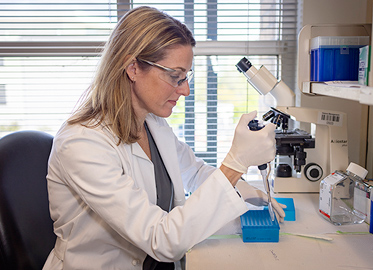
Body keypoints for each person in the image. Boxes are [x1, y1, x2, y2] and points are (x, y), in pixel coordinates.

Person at [43, 6, 284, 270]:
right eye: (175, 76)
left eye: (186, 77)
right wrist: (235, 164)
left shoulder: (151, 122)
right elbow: (161, 239)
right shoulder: (82, 144)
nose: (186, 90)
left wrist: (243, 190)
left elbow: (193, 171)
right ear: (132, 68)